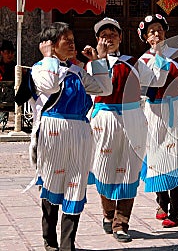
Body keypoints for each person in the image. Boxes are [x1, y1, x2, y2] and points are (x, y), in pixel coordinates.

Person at [29, 22, 112, 251]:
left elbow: (104, 89)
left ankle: (68, 244)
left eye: (73, 40)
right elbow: (50, 85)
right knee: (52, 183)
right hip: (53, 131)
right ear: (52, 45)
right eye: (67, 40)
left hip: (80, 133)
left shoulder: (76, 71)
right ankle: (49, 240)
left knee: (76, 185)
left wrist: (99, 61)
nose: (73, 45)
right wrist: (49, 58)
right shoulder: (39, 68)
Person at [88, 17, 169, 242]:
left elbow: (157, 80)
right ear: (97, 40)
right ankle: (108, 212)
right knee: (104, 168)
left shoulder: (133, 62)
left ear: (121, 37)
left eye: (113, 34)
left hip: (132, 117)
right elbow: (95, 87)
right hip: (105, 119)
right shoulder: (92, 62)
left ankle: (121, 222)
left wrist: (159, 54)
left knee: (129, 170)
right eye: (104, 35)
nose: (109, 38)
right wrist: (100, 59)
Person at [138, 14, 178, 228]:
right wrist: (159, 58)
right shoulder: (143, 61)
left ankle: (176, 209)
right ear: (145, 37)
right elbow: (154, 82)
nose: (156, 33)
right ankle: (162, 201)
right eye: (151, 31)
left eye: (159, 30)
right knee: (157, 157)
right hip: (156, 111)